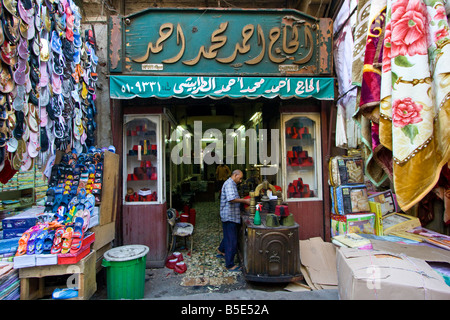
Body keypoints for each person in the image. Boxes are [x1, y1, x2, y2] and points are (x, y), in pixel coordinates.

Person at [217, 170, 250, 271]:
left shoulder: (231, 183)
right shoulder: (229, 184)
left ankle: (221, 250)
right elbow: (231, 199)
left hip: (230, 215)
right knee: (232, 240)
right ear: (235, 175)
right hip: (229, 215)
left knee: (228, 235)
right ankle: (230, 265)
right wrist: (244, 200)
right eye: (240, 178)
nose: (240, 181)